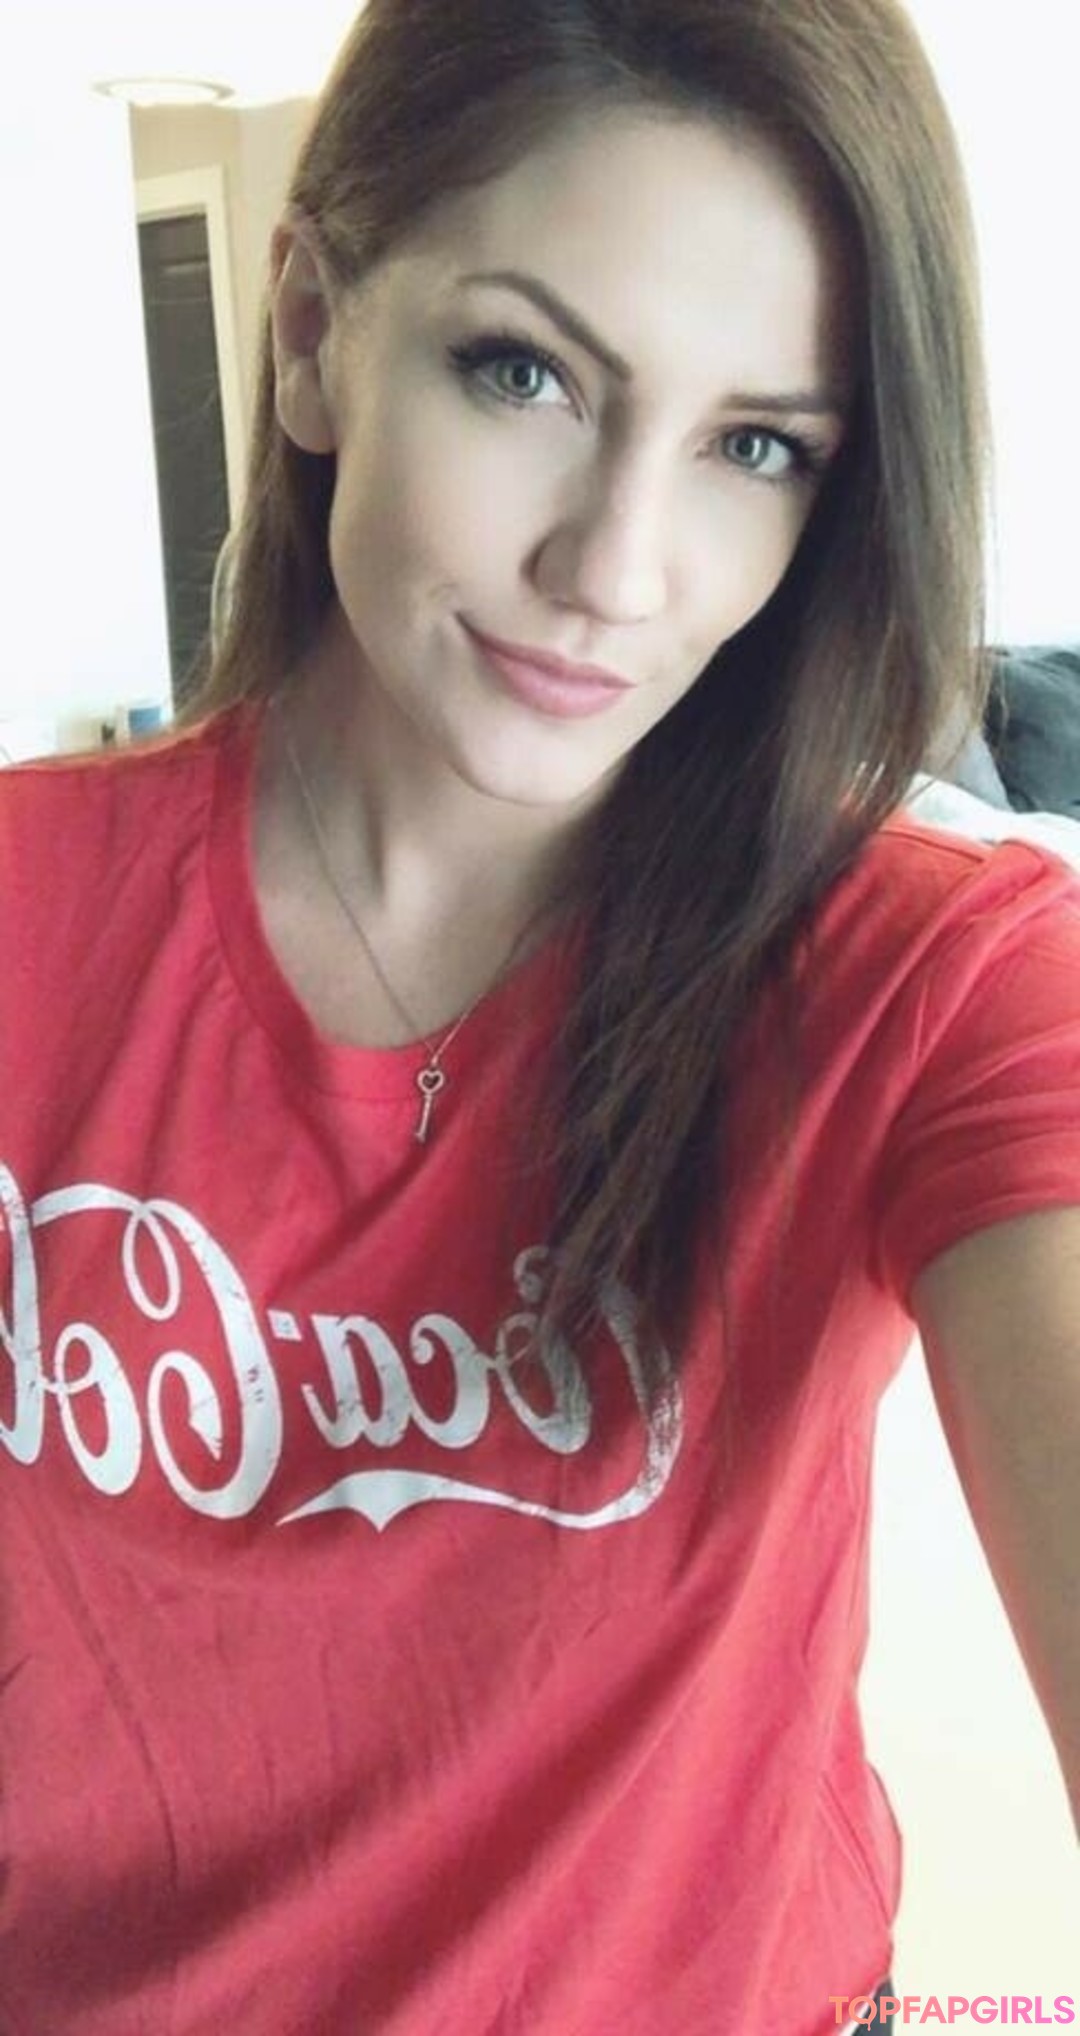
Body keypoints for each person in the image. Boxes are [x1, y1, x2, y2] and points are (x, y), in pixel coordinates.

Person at [1, 1, 1078, 2031]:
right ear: (311, 333)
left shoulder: (935, 984)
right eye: (527, 374)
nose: (618, 569)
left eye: (757, 446)